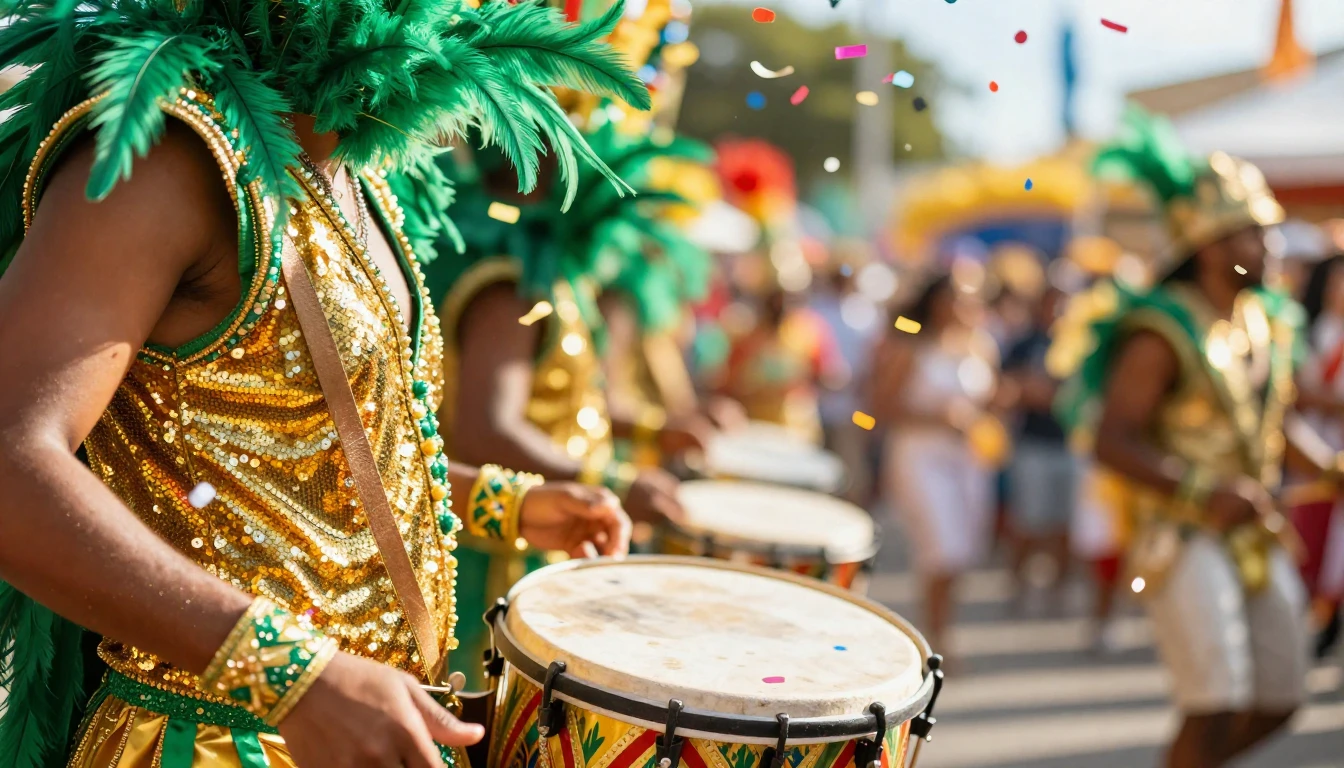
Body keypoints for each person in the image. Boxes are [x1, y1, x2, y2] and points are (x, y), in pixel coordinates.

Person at [0, 1, 647, 766]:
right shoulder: (173, 158)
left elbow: (301, 457)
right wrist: (289, 676)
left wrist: (504, 503)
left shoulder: (351, 175)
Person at [421, 10, 702, 688]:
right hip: (500, 558)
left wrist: (652, 434)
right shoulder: (510, 284)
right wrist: (609, 485)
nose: (614, 144)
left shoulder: (538, 273)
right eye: (593, 122)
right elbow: (484, 428)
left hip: (531, 537)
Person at [1082, 108, 1319, 768]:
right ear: (1211, 246)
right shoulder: (1162, 331)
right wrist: (1201, 488)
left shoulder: (1265, 324)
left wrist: (1329, 465)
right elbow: (1111, 441)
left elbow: (1274, 420)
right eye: (1253, 236)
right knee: (1214, 699)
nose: (1270, 248)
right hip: (1180, 532)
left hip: (1253, 528)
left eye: (1269, 235)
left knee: (1283, 691)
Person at [870, 273, 1002, 658]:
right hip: (919, 457)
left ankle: (942, 628)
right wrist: (939, 418)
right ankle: (934, 640)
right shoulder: (910, 346)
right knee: (941, 548)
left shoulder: (982, 346)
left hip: (967, 460)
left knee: (961, 551)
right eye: (955, 298)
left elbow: (987, 398)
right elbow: (881, 407)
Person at [1002, 286, 1077, 609]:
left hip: (1069, 446)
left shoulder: (1080, 344)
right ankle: (1019, 585)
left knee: (1063, 527)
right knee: (1029, 524)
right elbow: (1010, 387)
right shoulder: (1024, 344)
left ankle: (1057, 591)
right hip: (1032, 445)